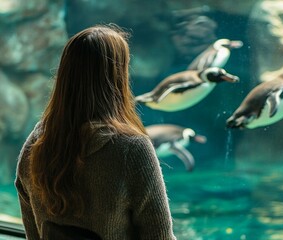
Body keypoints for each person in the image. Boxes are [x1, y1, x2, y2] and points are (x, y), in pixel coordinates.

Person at [15, 24, 177, 240]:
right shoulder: (132, 148)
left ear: (65, 74)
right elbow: (160, 237)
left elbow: (29, 219)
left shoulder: (39, 138)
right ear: (118, 75)